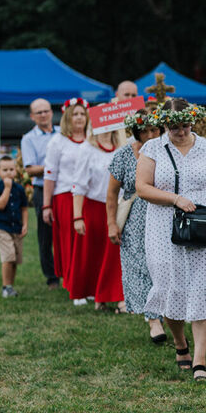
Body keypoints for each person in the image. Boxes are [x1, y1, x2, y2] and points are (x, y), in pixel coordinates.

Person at [136, 99, 206, 381]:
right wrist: (175, 198)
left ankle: (200, 360)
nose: (181, 131)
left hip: (202, 225)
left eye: (185, 125)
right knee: (169, 286)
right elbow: (142, 187)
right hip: (163, 227)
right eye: (174, 126)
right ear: (164, 124)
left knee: (202, 286)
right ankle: (180, 343)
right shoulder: (152, 148)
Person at [109, 109, 166, 340]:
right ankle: (153, 321)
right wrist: (111, 224)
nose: (151, 135)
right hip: (135, 218)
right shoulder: (124, 155)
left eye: (154, 130)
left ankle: (165, 313)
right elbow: (112, 193)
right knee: (140, 267)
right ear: (136, 132)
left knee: (161, 266)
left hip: (163, 215)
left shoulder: (168, 152)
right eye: (145, 131)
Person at [70, 125, 126, 310]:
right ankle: (93, 295)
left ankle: (117, 296)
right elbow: (78, 184)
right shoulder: (86, 149)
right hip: (94, 206)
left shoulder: (122, 146)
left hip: (118, 206)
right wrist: (77, 216)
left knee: (114, 254)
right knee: (93, 252)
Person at [42, 99, 92, 304]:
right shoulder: (58, 141)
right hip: (65, 196)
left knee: (88, 242)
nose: (79, 117)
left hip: (88, 196)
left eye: (82, 113)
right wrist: (46, 205)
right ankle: (73, 285)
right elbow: (49, 175)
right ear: (67, 117)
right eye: (75, 114)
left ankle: (88, 284)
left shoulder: (92, 139)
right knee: (70, 242)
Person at [20, 98, 60, 288]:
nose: (43, 115)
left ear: (52, 112)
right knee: (46, 234)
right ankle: (51, 276)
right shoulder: (29, 138)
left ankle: (66, 270)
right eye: (39, 112)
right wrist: (54, 167)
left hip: (63, 187)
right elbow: (30, 169)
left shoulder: (62, 133)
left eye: (46, 111)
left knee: (65, 232)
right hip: (41, 188)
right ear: (32, 116)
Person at [0, 156, 29, 298]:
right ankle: (6, 287)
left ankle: (10, 286)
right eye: (4, 170)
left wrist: (25, 224)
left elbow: (24, 208)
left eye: (11, 169)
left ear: (16, 171)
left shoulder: (19, 189)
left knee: (16, 259)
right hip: (1, 227)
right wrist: (7, 188)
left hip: (16, 227)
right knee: (8, 256)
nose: (8, 173)